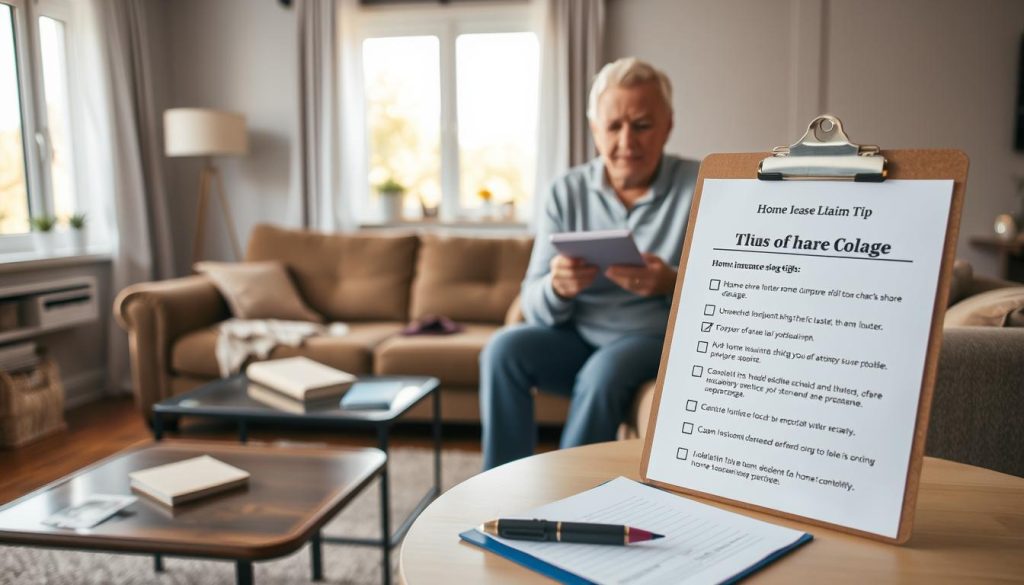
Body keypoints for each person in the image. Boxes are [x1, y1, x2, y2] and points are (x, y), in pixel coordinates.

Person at [479, 57, 700, 470]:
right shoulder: (566, 191)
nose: (627, 142)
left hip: (650, 340)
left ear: (668, 125)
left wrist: (671, 282)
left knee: (604, 372)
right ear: (595, 129)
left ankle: (568, 496)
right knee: (501, 350)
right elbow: (533, 299)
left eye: (642, 125)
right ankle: (499, 486)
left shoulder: (700, 185)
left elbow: (724, 294)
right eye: (614, 126)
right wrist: (557, 288)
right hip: (577, 336)